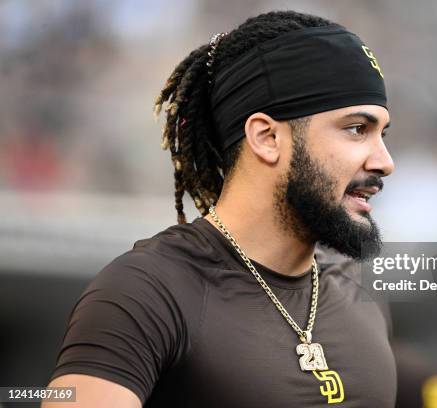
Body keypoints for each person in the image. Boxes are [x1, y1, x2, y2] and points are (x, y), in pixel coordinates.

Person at [45, 10, 398, 407]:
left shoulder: (360, 293)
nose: (385, 161)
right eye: (357, 129)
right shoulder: (147, 292)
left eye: (381, 134)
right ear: (266, 138)